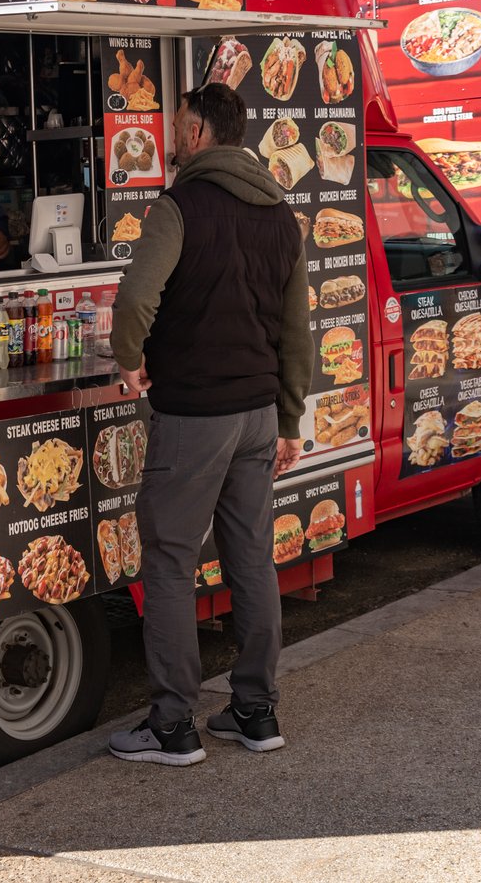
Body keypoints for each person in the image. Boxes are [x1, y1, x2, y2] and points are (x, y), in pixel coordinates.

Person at [106, 82, 312, 767]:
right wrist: (289, 419)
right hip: (257, 416)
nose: (169, 138)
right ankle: (255, 712)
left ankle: (173, 725)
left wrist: (129, 361)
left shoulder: (178, 207)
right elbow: (295, 333)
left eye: (174, 126)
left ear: (195, 132)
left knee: (169, 561)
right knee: (251, 557)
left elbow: (136, 295)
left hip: (194, 415)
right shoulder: (282, 216)